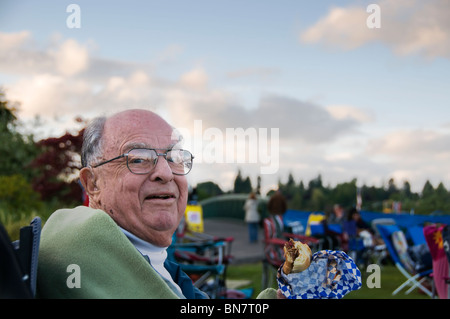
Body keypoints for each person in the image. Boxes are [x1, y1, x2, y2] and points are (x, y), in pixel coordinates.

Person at [36, 109, 278, 299]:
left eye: (174, 157)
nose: (166, 173)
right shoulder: (83, 243)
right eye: (139, 159)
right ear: (93, 184)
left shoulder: (154, 260)